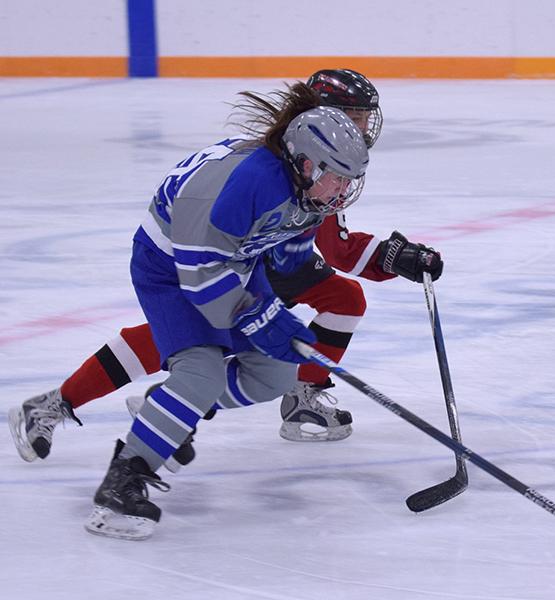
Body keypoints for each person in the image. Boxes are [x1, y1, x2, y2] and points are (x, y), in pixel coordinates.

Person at [8, 71, 444, 471]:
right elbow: (334, 248)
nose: (363, 130)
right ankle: (62, 403)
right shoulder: (297, 168)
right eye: (355, 117)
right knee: (177, 342)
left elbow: (328, 244)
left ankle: (298, 397)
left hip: (276, 260)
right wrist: (388, 257)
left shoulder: (327, 168)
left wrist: (392, 256)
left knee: (342, 299)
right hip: (239, 258)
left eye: (366, 119)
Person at [80, 79, 373, 540]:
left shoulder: (310, 192)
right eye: (337, 175)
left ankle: (170, 409)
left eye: (349, 178)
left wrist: (278, 314)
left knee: (276, 373)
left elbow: (288, 258)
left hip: (234, 258)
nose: (343, 189)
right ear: (305, 163)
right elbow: (199, 272)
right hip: (169, 265)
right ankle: (124, 479)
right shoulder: (244, 186)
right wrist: (255, 314)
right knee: (202, 374)